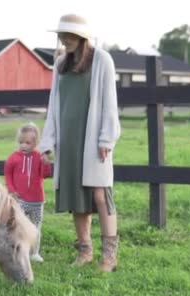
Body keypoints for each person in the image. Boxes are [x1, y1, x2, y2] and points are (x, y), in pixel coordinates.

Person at [39, 14, 121, 272]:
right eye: (62, 35)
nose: (64, 40)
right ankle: (85, 250)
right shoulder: (60, 63)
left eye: (69, 35)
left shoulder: (102, 60)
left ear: (82, 37)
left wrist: (107, 136)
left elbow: (110, 100)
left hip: (93, 137)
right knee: (76, 195)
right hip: (68, 138)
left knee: (100, 192)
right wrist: (48, 140)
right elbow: (54, 103)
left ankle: (109, 256)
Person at [5, 122, 52, 263]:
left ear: (36, 143)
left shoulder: (39, 157)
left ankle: (34, 253)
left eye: (28, 143)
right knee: (18, 226)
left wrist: (46, 163)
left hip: (37, 201)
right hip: (20, 200)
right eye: (21, 142)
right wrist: (12, 191)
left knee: (35, 227)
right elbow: (8, 175)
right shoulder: (13, 158)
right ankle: (16, 250)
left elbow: (45, 175)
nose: (23, 146)